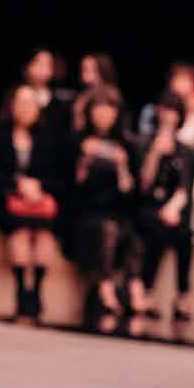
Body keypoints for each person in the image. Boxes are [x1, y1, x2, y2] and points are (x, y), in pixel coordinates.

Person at [0, 83, 66, 323]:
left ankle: (36, 292)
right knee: (20, 232)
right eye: (20, 102)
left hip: (40, 202)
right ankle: (21, 290)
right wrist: (17, 185)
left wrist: (38, 187)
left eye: (30, 103)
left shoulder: (48, 139)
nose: (25, 108)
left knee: (43, 235)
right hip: (6, 200)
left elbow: (60, 177)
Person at [68, 87, 145, 320]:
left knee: (133, 235)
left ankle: (135, 288)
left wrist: (121, 166)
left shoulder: (126, 145)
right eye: (99, 109)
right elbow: (73, 185)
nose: (103, 115)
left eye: (109, 110)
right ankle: (106, 288)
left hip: (118, 210)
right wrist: (85, 159)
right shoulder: (78, 140)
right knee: (106, 230)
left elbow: (130, 191)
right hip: (85, 212)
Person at [137, 92, 194, 322]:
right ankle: (146, 290)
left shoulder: (186, 152)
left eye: (173, 111)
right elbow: (144, 183)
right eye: (165, 110)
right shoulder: (144, 143)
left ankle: (183, 295)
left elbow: (184, 188)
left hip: (173, 208)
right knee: (157, 231)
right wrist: (155, 153)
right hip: (147, 207)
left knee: (184, 236)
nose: (168, 116)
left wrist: (172, 209)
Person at [21, 48, 74, 136]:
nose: (43, 69)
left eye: (48, 64)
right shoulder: (17, 95)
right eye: (39, 63)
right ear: (27, 67)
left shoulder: (60, 101)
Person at [71, 53, 124, 135]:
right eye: (83, 69)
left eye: (90, 70)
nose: (85, 75)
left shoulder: (111, 94)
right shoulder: (82, 95)